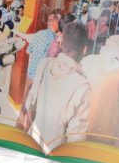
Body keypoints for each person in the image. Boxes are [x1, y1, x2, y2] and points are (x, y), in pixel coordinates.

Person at [19, 22, 92, 154]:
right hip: (55, 154)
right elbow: (76, 138)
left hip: (32, 144)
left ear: (61, 43)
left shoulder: (44, 64)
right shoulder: (82, 86)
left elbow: (31, 107)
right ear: (84, 50)